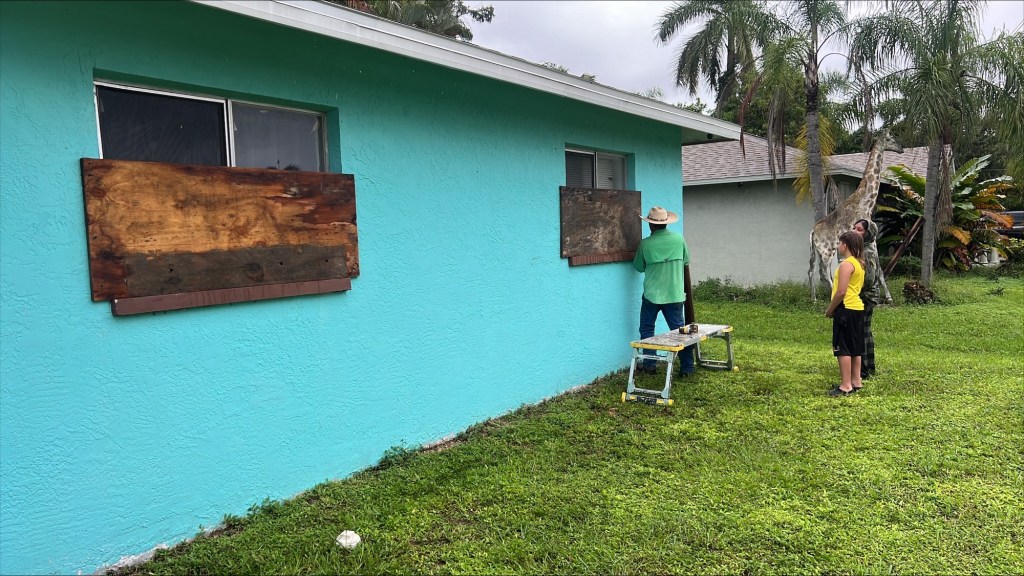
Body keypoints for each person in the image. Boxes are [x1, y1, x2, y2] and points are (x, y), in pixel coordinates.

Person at [633, 206, 695, 376]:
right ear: (666, 223)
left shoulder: (646, 244)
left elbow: (638, 267)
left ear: (651, 225)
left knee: (647, 329)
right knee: (680, 332)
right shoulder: (678, 239)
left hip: (652, 295)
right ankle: (687, 367)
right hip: (674, 294)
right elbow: (686, 260)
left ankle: (650, 364)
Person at [825, 230, 866, 396]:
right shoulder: (859, 264)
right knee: (855, 347)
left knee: (843, 347)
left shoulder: (846, 264)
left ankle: (845, 386)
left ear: (845, 245)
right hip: (857, 308)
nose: (838, 246)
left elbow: (841, 291)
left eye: (840, 243)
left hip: (845, 308)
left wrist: (830, 309)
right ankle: (856, 381)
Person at [853, 219, 881, 380]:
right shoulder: (861, 249)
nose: (855, 232)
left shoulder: (868, 252)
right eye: (854, 228)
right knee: (865, 331)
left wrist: (853, 290)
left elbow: (869, 279)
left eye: (859, 230)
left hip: (866, 297)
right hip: (864, 296)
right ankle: (868, 366)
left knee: (861, 332)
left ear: (868, 233)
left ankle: (863, 370)